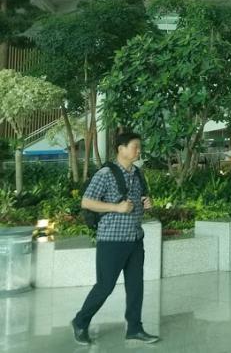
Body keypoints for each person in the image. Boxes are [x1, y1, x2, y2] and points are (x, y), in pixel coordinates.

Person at [71, 132, 158, 345]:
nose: (139, 150)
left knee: (136, 286)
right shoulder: (105, 174)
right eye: (135, 146)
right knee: (105, 286)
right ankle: (80, 321)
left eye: (139, 147)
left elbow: (138, 201)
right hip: (112, 240)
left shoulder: (138, 174)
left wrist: (147, 203)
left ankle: (135, 328)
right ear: (121, 148)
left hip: (135, 239)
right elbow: (86, 202)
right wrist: (116, 207)